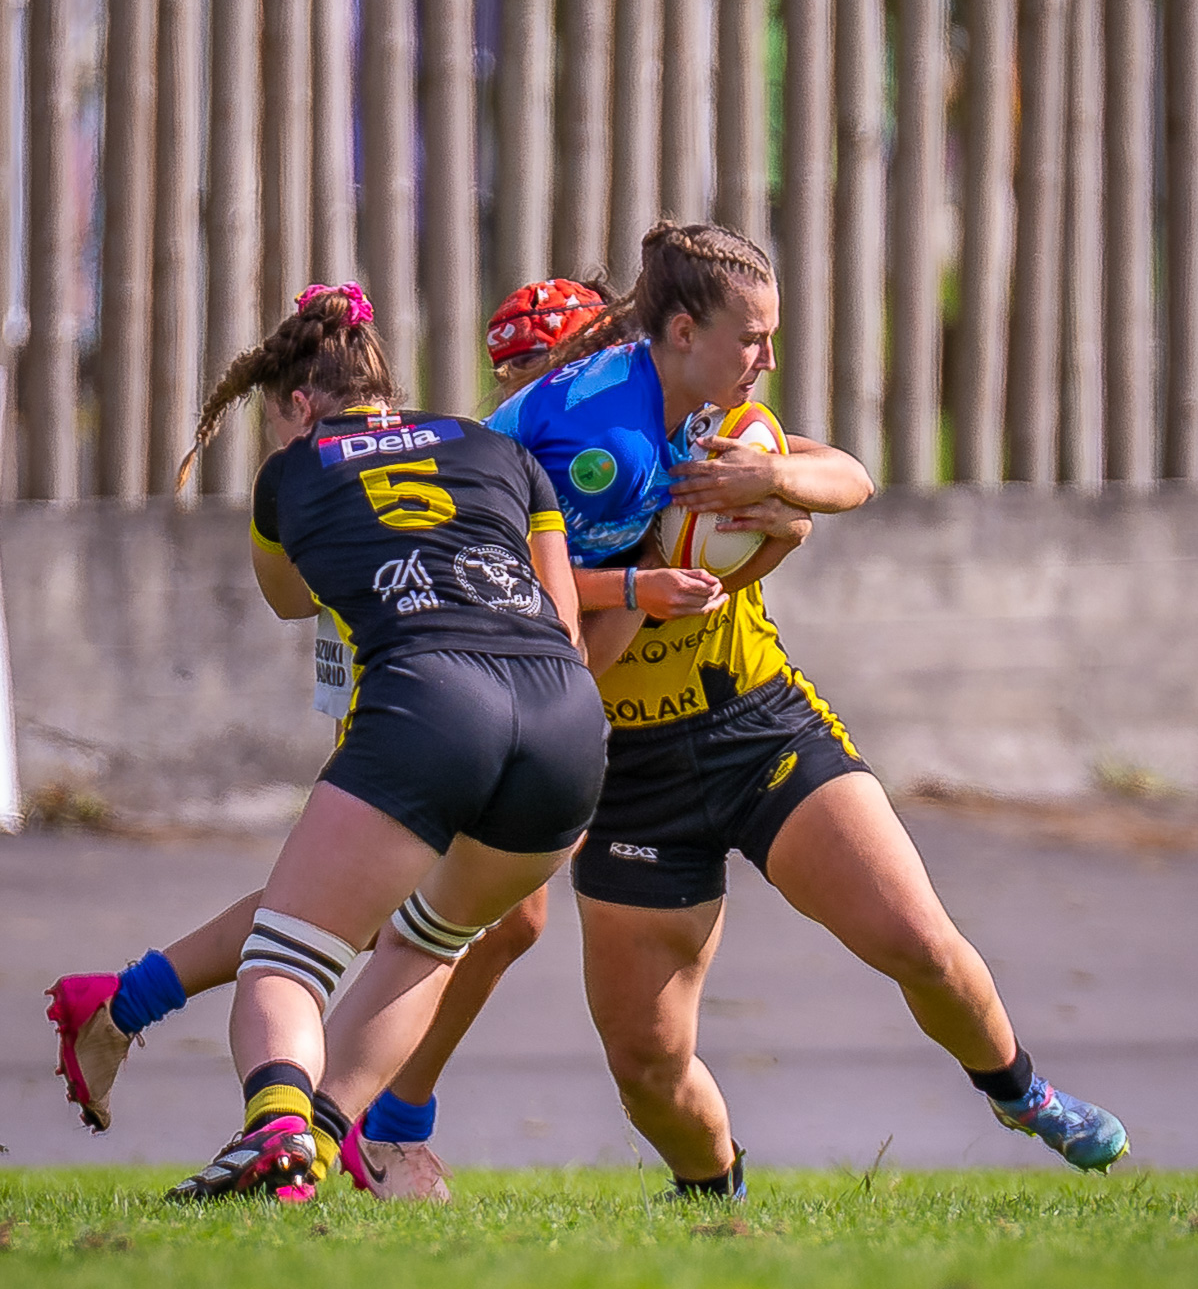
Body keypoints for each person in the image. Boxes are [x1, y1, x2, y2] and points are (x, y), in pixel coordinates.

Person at [462, 221, 1129, 1190]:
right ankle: (713, 1192)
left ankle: (1020, 1089)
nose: (768, 361)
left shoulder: (718, 427)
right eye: (755, 339)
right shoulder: (578, 459)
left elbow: (848, 477)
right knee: (646, 1066)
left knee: (919, 944)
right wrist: (644, 579)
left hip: (756, 724)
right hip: (628, 772)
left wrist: (771, 486)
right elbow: (562, 628)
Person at [115, 281, 607, 1201]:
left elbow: (290, 596)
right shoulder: (497, 447)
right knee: (429, 946)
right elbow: (565, 618)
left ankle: (275, 1132)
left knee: (285, 958)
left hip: (431, 702)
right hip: (567, 721)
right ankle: (323, 1139)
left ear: (299, 403)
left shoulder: (291, 473)